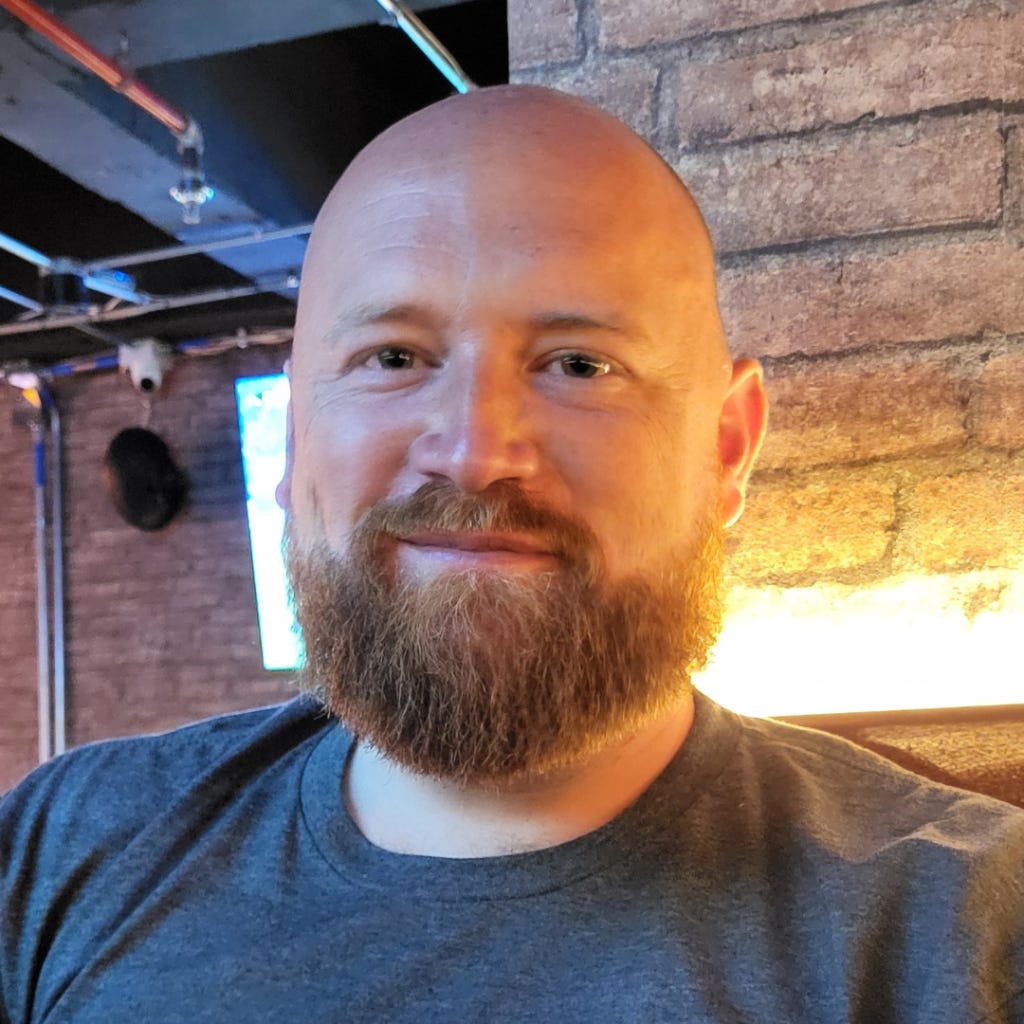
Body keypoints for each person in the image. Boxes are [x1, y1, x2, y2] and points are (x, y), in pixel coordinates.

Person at [1, 85, 1022, 1023]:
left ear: (725, 448)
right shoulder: (63, 851)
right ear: (297, 437)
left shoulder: (965, 927)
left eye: (579, 364)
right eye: (393, 357)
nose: (475, 452)